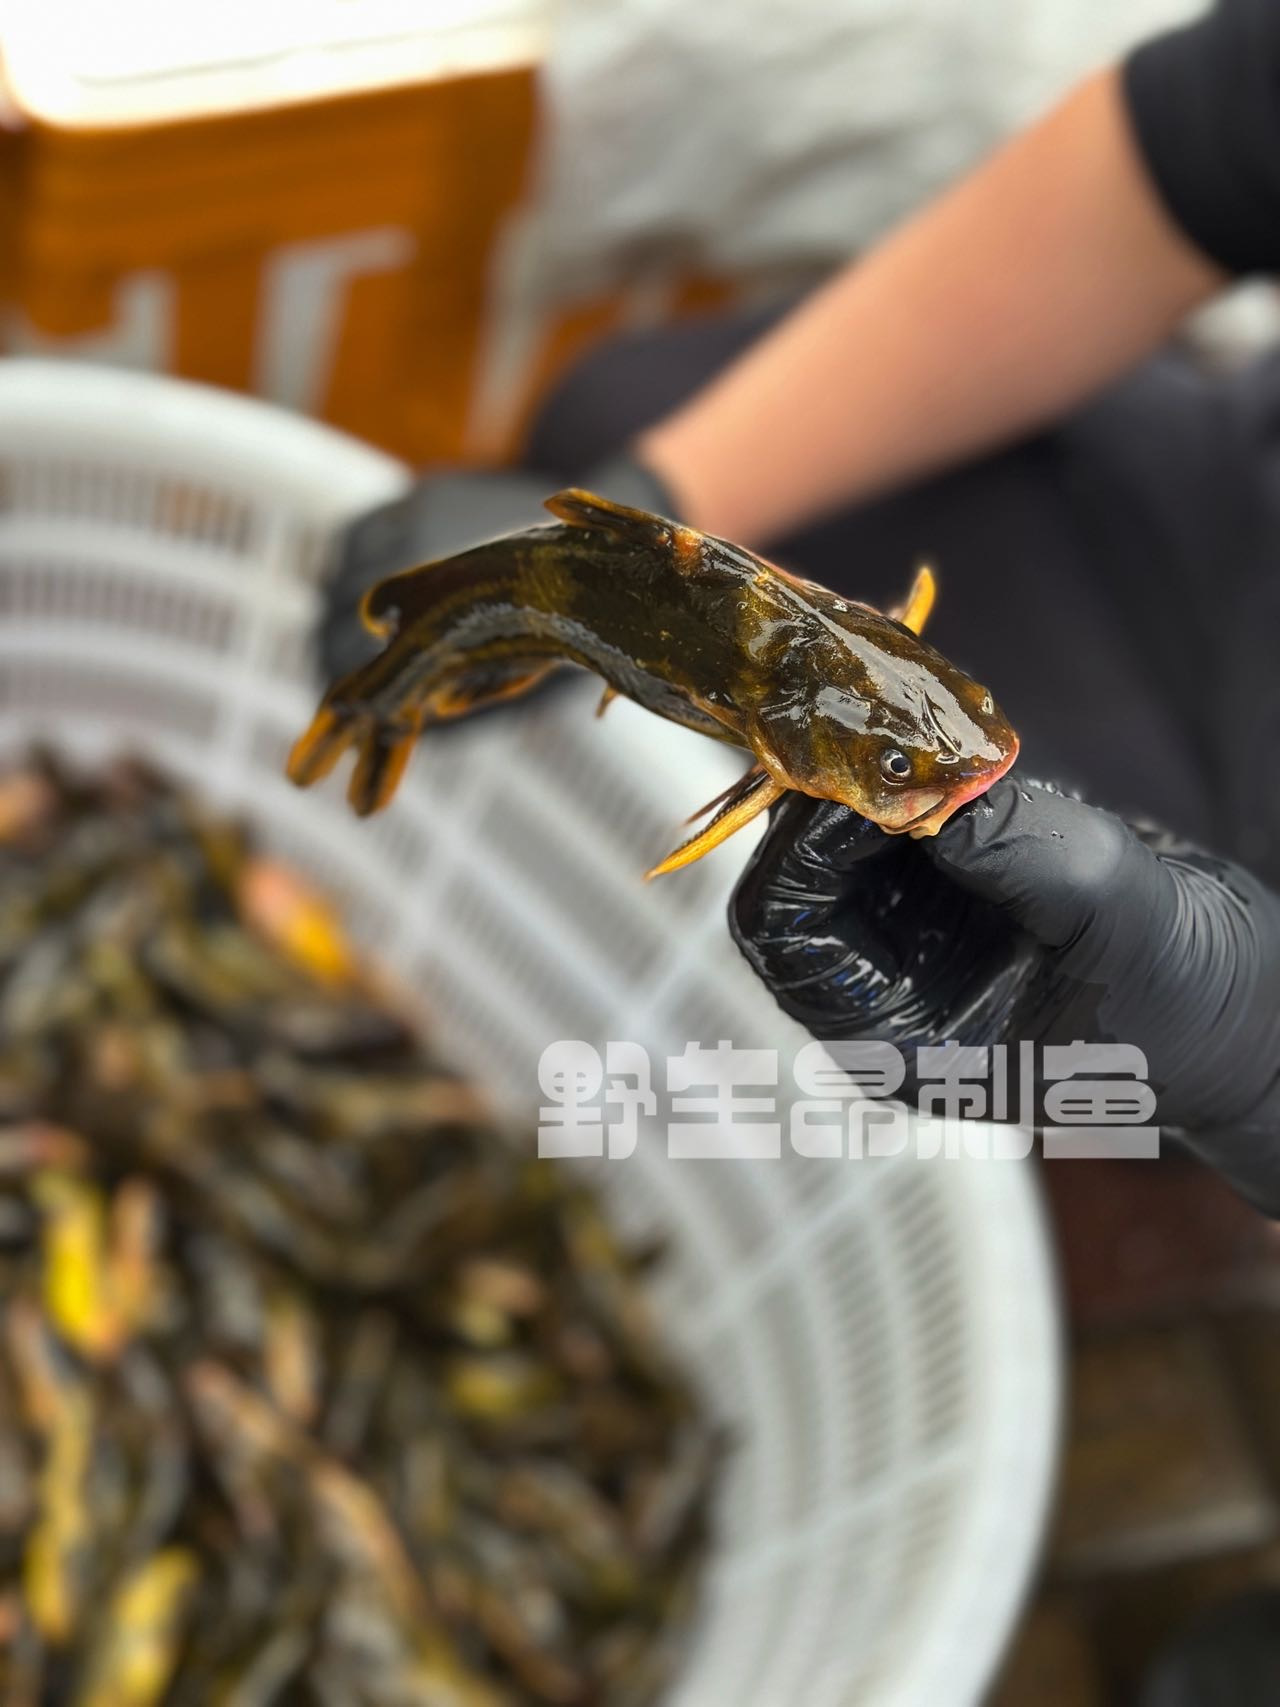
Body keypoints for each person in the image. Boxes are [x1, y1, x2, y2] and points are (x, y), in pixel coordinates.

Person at [319, 0, 1280, 1218]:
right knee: (611, 407)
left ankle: (1143, 1187)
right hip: (1225, 511)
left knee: (1027, 1013)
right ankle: (419, 664)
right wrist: (660, 490)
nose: (959, 762)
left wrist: (1254, 1063)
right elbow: (1193, 150)